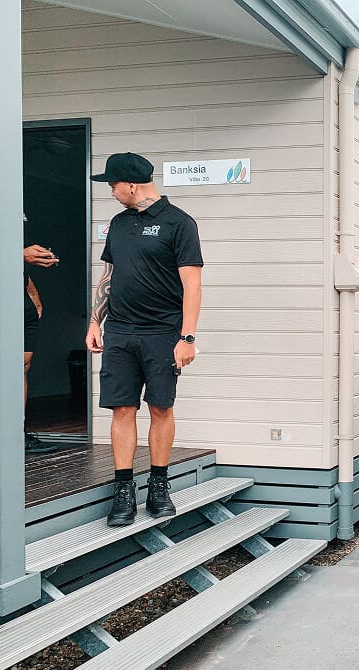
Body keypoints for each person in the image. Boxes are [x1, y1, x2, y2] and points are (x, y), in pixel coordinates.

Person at [86, 152, 203, 526]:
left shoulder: (179, 223)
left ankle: (158, 484)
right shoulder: (119, 224)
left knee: (160, 408)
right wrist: (94, 321)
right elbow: (109, 275)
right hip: (120, 332)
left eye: (113, 184)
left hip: (162, 334)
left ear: (131, 184)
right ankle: (123, 490)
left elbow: (193, 285)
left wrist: (187, 337)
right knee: (121, 409)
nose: (111, 191)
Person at [23, 214, 59, 454]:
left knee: (22, 366)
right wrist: (20, 254)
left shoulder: (16, 210)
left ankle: (17, 432)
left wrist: (33, 293)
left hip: (20, 302)